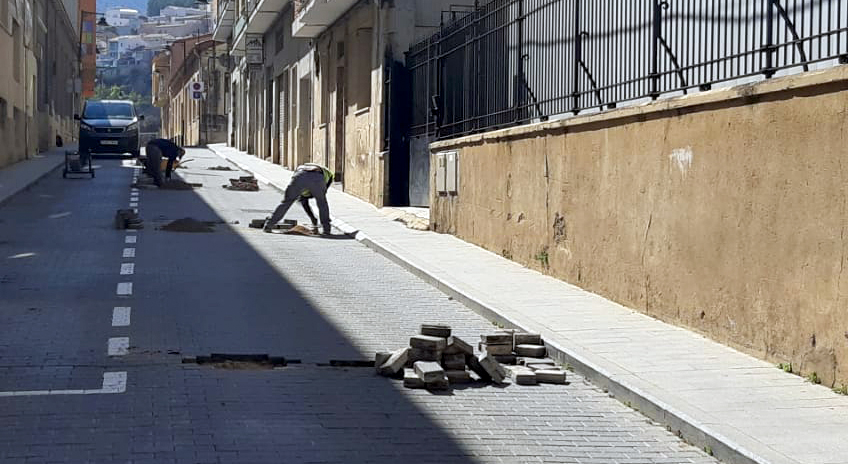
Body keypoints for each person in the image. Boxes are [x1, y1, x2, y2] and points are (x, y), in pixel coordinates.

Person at [264, 163, 334, 235]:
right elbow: (321, 193)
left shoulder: (301, 168)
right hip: (317, 178)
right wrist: (313, 219)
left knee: (286, 202)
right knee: (322, 203)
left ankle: (269, 225)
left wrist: (313, 219)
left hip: (299, 177)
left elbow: (303, 201)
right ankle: (326, 230)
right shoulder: (328, 175)